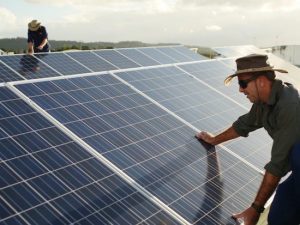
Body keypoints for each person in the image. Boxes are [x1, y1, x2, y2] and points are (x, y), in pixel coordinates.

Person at [196, 54, 300, 225]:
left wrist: (255, 209)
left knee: (297, 154)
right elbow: (244, 125)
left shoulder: (289, 106)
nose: (240, 89)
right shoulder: (264, 102)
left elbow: (277, 166)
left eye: (243, 83)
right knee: (279, 216)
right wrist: (214, 140)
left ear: (261, 81)